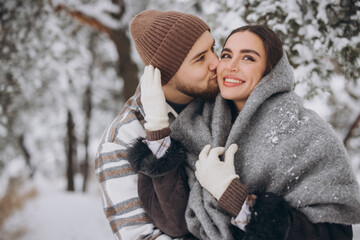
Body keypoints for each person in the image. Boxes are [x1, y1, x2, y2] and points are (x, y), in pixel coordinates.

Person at [127, 25, 360, 239]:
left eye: (248, 58)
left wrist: (236, 199)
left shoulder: (305, 131)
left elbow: (335, 234)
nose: (230, 66)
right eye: (227, 55)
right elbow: (174, 223)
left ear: (271, 71)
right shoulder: (195, 124)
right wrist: (157, 126)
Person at [95, 9, 219, 240]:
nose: (216, 62)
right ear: (166, 76)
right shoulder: (120, 140)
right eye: (200, 58)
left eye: (213, 48)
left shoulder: (224, 98)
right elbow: (140, 236)